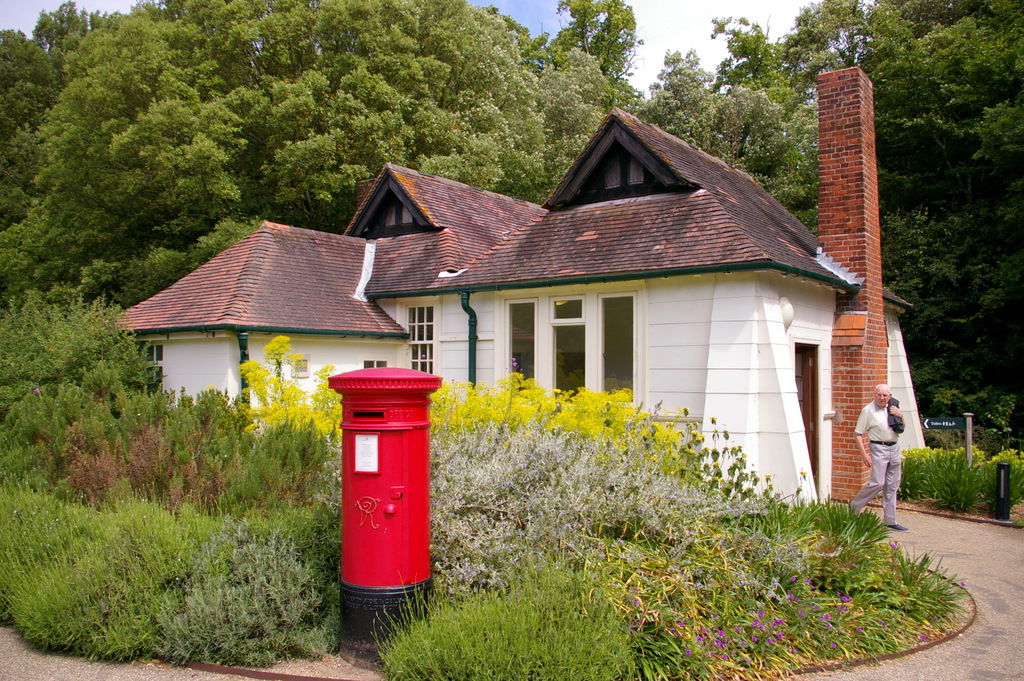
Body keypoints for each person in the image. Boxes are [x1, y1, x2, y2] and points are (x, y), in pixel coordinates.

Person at [850, 384, 908, 531]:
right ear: (874, 395)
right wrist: (864, 455)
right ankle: (853, 508)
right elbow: (857, 434)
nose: (882, 398)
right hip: (878, 447)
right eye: (879, 395)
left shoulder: (893, 408)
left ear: (890, 395)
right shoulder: (868, 410)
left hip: (894, 447)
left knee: (892, 485)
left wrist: (901, 415)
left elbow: (901, 428)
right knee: (877, 482)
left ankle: (890, 521)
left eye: (885, 395)